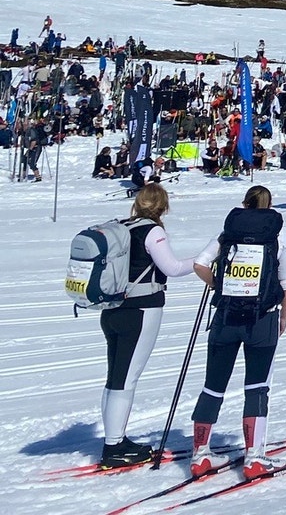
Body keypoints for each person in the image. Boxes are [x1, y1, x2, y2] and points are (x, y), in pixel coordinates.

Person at [189, 185, 286, 480]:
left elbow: (199, 263)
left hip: (225, 316)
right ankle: (255, 457)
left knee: (213, 385)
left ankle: (200, 454)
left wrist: (219, 286)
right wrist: (284, 317)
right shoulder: (278, 233)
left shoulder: (229, 232)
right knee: (257, 386)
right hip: (262, 319)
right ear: (270, 206)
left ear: (245, 204)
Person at [92, 184, 199, 468]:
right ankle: (114, 448)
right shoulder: (152, 230)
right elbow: (172, 268)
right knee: (126, 379)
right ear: (162, 206)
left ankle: (116, 439)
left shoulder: (121, 227)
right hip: (141, 310)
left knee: (116, 376)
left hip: (112, 310)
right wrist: (202, 261)